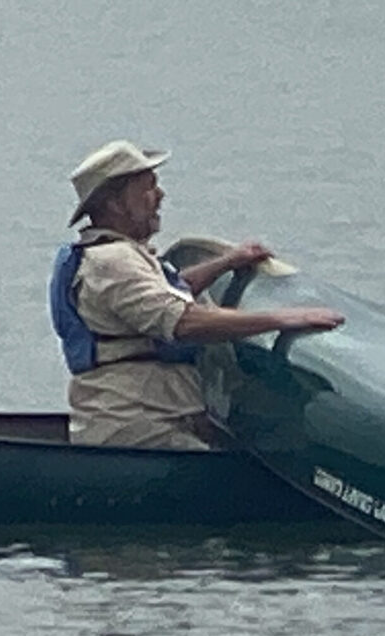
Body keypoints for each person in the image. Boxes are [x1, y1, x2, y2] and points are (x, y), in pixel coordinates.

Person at [53, 140, 344, 450]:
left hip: (139, 423)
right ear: (114, 203)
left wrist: (227, 262)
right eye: (148, 188)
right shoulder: (114, 262)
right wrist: (284, 319)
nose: (160, 196)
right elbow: (183, 321)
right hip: (138, 429)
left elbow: (166, 295)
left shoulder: (107, 257)